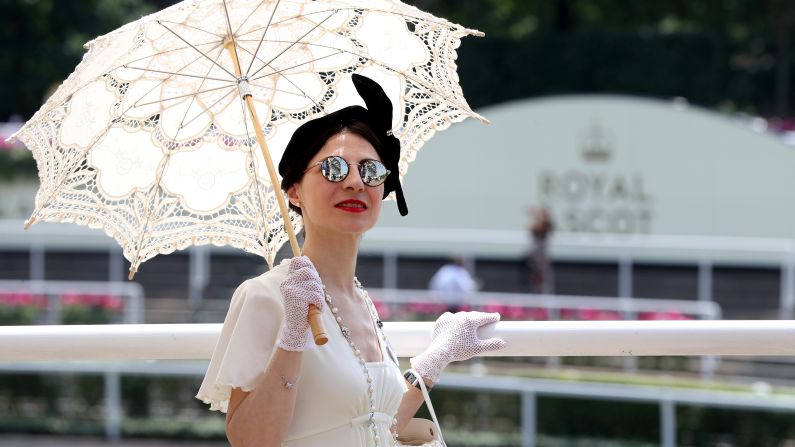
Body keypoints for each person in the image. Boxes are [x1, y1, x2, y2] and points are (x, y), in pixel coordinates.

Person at [196, 74, 506, 446]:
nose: (355, 182)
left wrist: (429, 365)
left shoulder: (360, 298)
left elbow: (374, 425)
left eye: (371, 170)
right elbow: (250, 440)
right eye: (333, 169)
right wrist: (293, 334)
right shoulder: (266, 296)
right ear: (294, 191)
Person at [526, 207, 554, 294]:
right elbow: (531, 227)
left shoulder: (546, 225)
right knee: (534, 279)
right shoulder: (536, 226)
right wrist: (535, 216)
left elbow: (546, 225)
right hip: (535, 256)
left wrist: (538, 214)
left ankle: (544, 297)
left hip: (542, 256)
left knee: (545, 280)